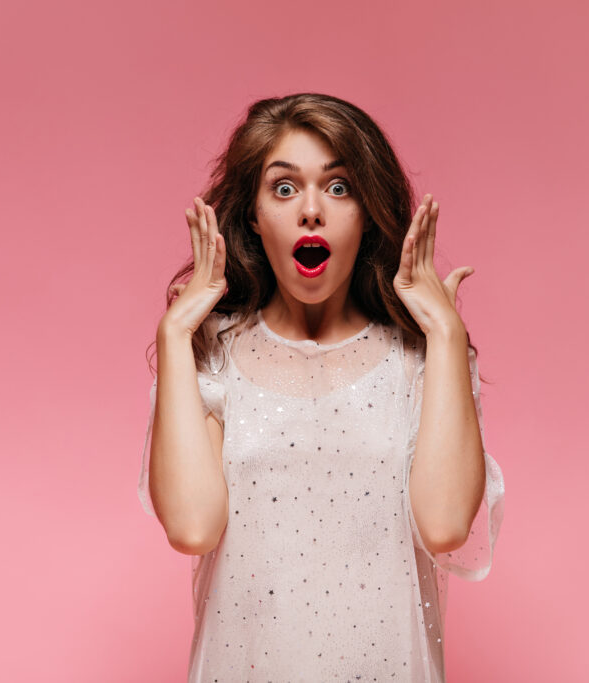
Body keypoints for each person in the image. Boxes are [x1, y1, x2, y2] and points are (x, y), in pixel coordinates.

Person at [138, 93, 505, 681]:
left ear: (367, 211)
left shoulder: (419, 359)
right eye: (284, 188)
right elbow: (191, 526)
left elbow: (444, 526)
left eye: (339, 188)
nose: (312, 210)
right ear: (254, 216)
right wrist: (177, 331)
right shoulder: (212, 356)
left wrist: (444, 334)